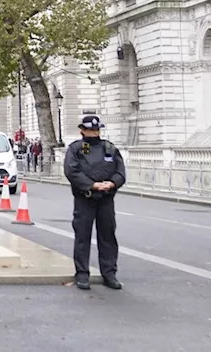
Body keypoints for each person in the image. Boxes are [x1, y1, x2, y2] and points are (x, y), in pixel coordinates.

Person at [63, 114, 126, 291]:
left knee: (107, 237)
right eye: (90, 130)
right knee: (83, 237)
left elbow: (120, 171)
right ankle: (82, 274)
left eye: (96, 130)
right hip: (85, 198)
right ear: (82, 130)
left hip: (106, 199)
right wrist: (91, 185)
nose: (93, 133)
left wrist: (113, 183)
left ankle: (109, 273)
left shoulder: (109, 148)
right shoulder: (75, 149)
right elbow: (71, 171)